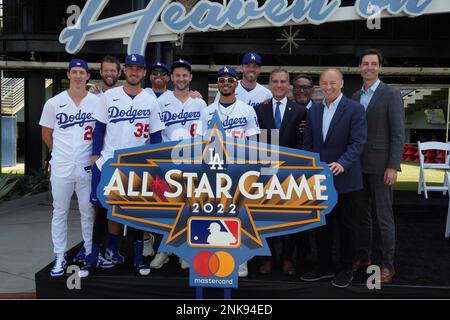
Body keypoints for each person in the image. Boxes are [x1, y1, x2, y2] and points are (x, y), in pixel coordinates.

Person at [79, 54, 166, 278]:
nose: (134, 72)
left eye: (139, 68)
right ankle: (93, 258)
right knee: (101, 211)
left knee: (135, 212)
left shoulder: (150, 100)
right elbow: (99, 128)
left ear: (144, 72)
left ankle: (137, 259)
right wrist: (96, 155)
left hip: (137, 164)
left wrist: (155, 162)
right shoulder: (109, 97)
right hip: (108, 162)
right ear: (124, 71)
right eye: (130, 68)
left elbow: (156, 135)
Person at [301, 69, 367, 288]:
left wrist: (342, 163)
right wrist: (308, 168)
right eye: (324, 83)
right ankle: (324, 267)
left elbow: (358, 143)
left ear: (341, 83)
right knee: (322, 226)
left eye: (332, 83)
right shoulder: (314, 111)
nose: (328, 87)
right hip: (320, 180)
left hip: (346, 179)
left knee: (348, 227)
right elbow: (308, 144)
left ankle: (346, 268)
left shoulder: (355, 109)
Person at [197, 66, 261, 277]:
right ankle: (212, 256)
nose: (226, 83)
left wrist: (252, 168)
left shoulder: (247, 109)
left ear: (236, 83)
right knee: (213, 213)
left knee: (238, 214)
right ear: (218, 83)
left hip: (239, 167)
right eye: (222, 79)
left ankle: (239, 259)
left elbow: (254, 142)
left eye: (230, 80)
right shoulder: (206, 111)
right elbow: (199, 143)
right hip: (213, 168)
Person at [39, 59, 99, 277]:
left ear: (87, 76)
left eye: (81, 72)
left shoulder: (96, 101)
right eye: (74, 72)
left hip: (85, 165)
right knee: (60, 211)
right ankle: (60, 255)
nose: (77, 76)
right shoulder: (54, 102)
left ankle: (90, 252)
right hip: (62, 166)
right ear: (68, 75)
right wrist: (59, 153)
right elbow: (46, 132)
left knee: (87, 211)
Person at [352, 49, 405, 284]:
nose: (369, 68)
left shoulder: (391, 94)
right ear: (360, 67)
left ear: (380, 67)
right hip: (357, 167)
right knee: (362, 217)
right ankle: (364, 257)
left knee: (384, 218)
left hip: (382, 167)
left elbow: (397, 134)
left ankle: (387, 265)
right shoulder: (354, 96)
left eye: (374, 64)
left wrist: (393, 166)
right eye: (365, 64)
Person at [149, 59, 206, 270]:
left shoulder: (199, 103)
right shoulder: (160, 100)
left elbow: (204, 135)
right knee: (167, 209)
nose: (181, 79)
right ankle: (165, 250)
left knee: (190, 207)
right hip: (166, 161)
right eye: (177, 75)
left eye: (185, 75)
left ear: (190, 77)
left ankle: (187, 251)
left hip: (192, 161)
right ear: (171, 78)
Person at [254, 68, 307, 276]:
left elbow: (303, 143)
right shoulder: (260, 110)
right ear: (269, 84)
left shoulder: (300, 111)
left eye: (283, 81)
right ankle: (267, 258)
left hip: (290, 172)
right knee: (265, 217)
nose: (279, 85)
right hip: (265, 170)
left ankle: (286, 258)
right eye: (275, 81)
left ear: (288, 85)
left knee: (289, 218)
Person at [84, 55, 125, 266]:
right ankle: (91, 248)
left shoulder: (129, 94)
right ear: (101, 72)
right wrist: (95, 154)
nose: (109, 74)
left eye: (113, 70)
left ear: (120, 73)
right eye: (106, 70)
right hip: (101, 159)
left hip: (124, 160)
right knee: (97, 206)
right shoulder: (94, 95)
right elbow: (97, 128)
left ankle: (112, 247)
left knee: (117, 206)